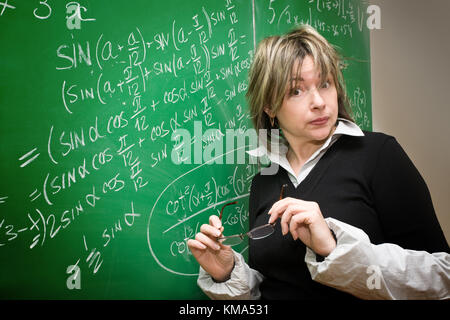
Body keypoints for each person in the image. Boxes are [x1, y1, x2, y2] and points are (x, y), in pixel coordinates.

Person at [187, 25, 450, 300]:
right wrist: (226, 273)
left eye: (325, 83)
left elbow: (442, 278)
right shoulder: (264, 181)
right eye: (296, 91)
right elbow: (275, 286)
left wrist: (333, 248)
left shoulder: (378, 154)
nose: (318, 102)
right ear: (269, 107)